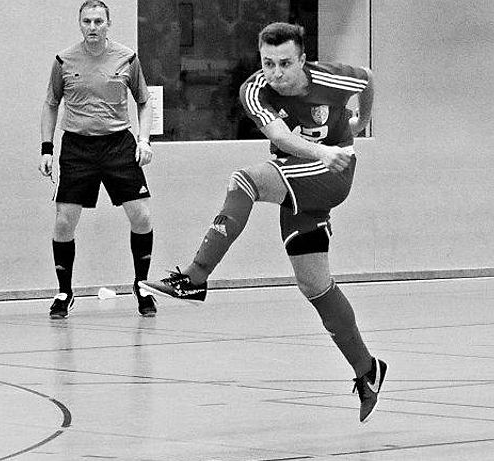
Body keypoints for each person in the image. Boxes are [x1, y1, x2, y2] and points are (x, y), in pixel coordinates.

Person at [140, 22, 386, 423]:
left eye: (285, 63)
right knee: (315, 286)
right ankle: (368, 369)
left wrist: (360, 122)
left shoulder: (332, 78)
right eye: (268, 63)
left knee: (245, 180)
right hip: (298, 171)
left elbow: (368, 79)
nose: (276, 72)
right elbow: (281, 137)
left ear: (303, 60)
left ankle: (196, 277)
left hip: (333, 171)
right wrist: (318, 152)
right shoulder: (254, 89)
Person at [40, 0, 157, 319]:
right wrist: (47, 148)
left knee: (142, 217)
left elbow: (144, 101)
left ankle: (142, 286)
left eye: (98, 21)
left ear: (108, 24)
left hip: (118, 144)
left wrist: (144, 140)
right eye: (87, 21)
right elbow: (50, 104)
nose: (93, 27)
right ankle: (64, 292)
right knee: (64, 221)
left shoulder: (127, 58)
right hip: (78, 148)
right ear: (80, 24)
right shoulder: (63, 60)